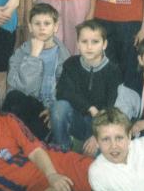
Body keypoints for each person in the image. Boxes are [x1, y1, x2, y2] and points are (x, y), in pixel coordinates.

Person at [50, 20, 122, 154]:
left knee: (95, 159)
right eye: (84, 42)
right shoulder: (71, 64)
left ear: (104, 44)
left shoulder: (113, 71)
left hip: (100, 123)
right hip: (76, 117)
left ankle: (88, 144)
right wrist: (90, 108)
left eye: (95, 42)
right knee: (59, 107)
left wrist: (97, 135)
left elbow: (111, 106)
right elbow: (63, 92)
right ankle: (62, 147)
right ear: (78, 44)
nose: (89, 47)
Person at [4, 2, 70, 141]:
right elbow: (23, 88)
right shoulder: (21, 53)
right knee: (13, 97)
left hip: (49, 110)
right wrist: (33, 56)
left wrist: (53, 108)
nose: (42, 28)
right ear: (30, 27)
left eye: (47, 23)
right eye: (37, 23)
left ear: (55, 27)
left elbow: (67, 90)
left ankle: (48, 141)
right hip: (28, 104)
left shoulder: (64, 56)